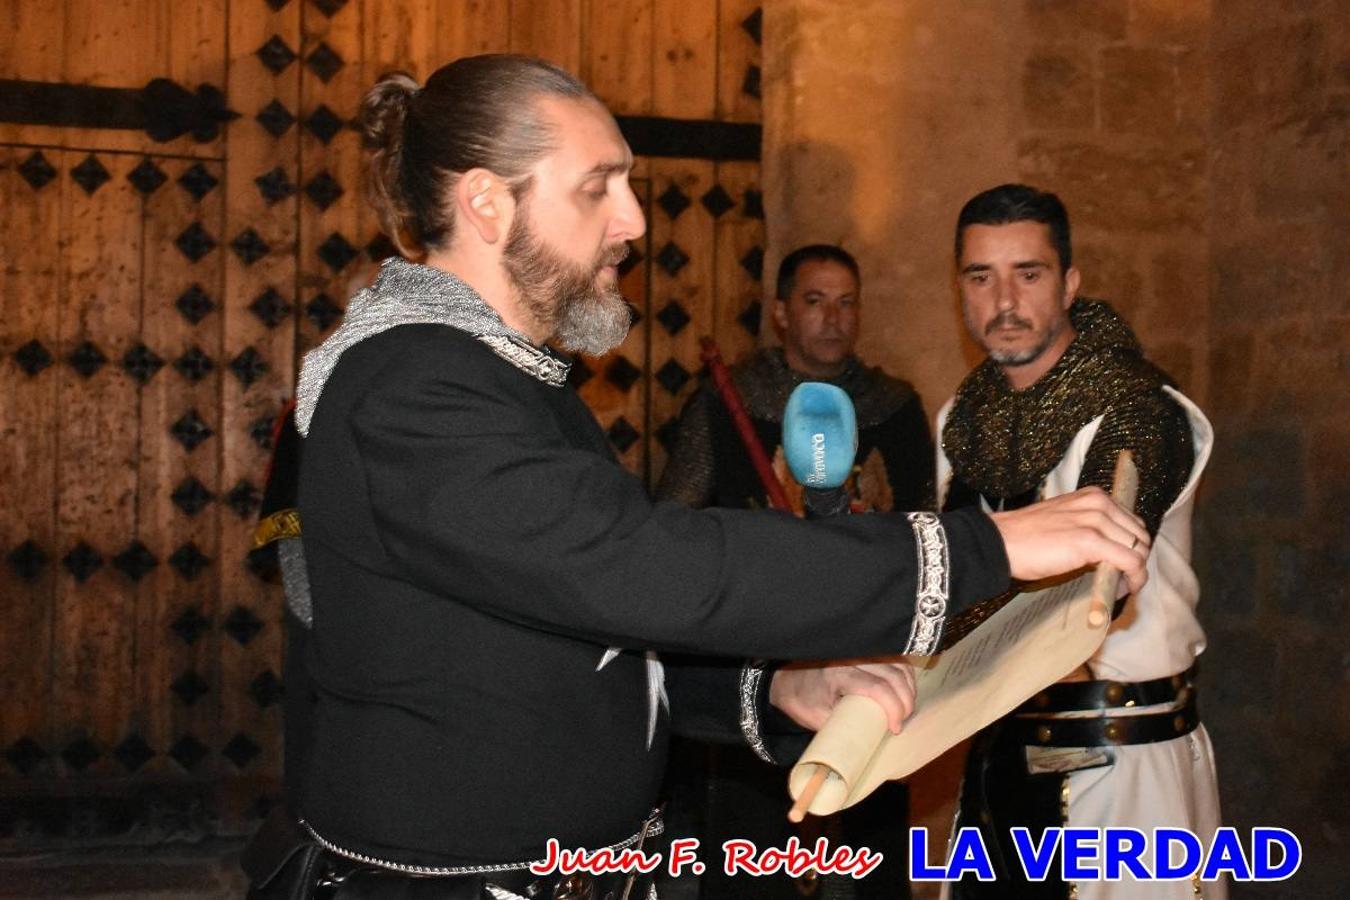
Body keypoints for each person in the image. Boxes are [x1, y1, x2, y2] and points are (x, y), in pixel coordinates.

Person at [243, 57, 1150, 900]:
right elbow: (640, 567)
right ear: (487, 203)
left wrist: (770, 688)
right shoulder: (413, 383)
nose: (634, 219)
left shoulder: (498, 373)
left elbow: (563, 638)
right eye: (599, 186)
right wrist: (983, 546)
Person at [936, 184, 1223, 900]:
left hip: (1120, 766)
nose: (1004, 300)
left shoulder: (1140, 412)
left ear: (1069, 283)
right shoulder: (963, 419)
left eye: (1027, 274)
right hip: (996, 751)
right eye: (981, 277)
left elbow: (1086, 586)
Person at [655, 244, 932, 899]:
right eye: (814, 301)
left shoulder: (893, 407)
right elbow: (672, 527)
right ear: (781, 313)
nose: (833, 318)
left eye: (846, 302)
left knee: (865, 863)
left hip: (866, 658)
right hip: (759, 662)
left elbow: (924, 535)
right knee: (758, 861)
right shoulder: (732, 400)